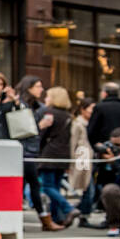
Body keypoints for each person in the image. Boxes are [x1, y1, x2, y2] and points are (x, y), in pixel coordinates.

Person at [37, 86, 80, 229]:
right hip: (64, 154)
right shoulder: (68, 116)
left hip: (49, 153)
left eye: (48, 96)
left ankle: (68, 208)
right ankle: (57, 218)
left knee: (47, 186)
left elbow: (41, 135)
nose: (45, 99)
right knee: (55, 186)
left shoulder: (48, 113)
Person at [16, 75, 55, 229]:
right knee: (29, 184)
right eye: (38, 86)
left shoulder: (38, 106)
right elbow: (21, 129)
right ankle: (44, 220)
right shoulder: (20, 104)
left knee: (31, 184)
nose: (41, 89)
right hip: (22, 149)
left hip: (33, 149)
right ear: (29, 87)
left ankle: (44, 219)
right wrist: (41, 125)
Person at [96, 127, 120, 236]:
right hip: (118, 194)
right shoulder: (114, 154)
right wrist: (102, 161)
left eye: (118, 145)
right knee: (109, 190)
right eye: (113, 145)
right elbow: (101, 181)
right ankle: (114, 224)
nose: (115, 148)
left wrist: (116, 163)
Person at [71, 97, 97, 226]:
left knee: (89, 189)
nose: (93, 112)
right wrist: (70, 160)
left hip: (89, 159)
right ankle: (80, 213)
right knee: (88, 188)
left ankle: (78, 212)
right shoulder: (78, 124)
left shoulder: (91, 124)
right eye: (91, 108)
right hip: (82, 160)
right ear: (83, 109)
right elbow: (73, 143)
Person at [87, 82, 120, 146]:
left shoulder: (99, 108)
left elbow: (91, 132)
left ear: (105, 93)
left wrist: (97, 147)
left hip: (106, 148)